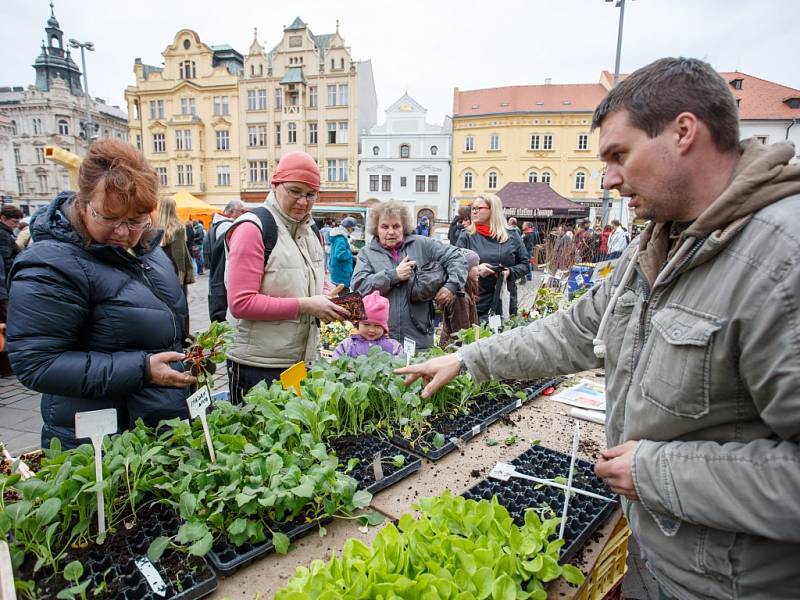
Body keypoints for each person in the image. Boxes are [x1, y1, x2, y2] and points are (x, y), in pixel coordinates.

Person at [396, 57, 800, 600]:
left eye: (618, 155)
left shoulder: (781, 262)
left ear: (684, 132)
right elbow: (573, 331)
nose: (608, 178)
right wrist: (467, 359)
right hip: (657, 557)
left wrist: (660, 473)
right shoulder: (658, 244)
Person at [6, 139, 195, 449]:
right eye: (108, 218)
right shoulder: (50, 264)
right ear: (83, 202)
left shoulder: (147, 249)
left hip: (155, 427)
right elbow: (36, 364)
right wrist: (142, 370)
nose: (123, 232)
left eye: (136, 220)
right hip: (100, 439)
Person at [224, 150, 348, 402]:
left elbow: (315, 278)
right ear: (275, 184)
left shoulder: (311, 230)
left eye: (310, 194)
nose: (303, 201)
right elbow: (241, 303)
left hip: (298, 360)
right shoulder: (253, 228)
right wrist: (306, 305)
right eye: (294, 191)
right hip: (257, 364)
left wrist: (326, 297)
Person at [352, 200, 466, 349]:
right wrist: (393, 276)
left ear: (404, 226)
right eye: (385, 227)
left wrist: (451, 285)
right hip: (380, 340)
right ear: (376, 228)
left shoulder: (423, 245)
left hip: (418, 337)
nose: (391, 232)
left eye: (396, 226)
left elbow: (457, 257)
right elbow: (360, 287)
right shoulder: (366, 254)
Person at [456, 193, 528, 319]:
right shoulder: (466, 235)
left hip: (504, 297)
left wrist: (509, 272)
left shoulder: (511, 235)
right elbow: (455, 266)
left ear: (493, 210)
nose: (474, 212)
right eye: (473, 208)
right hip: (476, 300)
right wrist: (477, 270)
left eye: (479, 208)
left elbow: (525, 264)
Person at [157, 196, 195, 333]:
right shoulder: (177, 227)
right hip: (176, 274)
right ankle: (184, 335)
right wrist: (182, 276)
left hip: (160, 272)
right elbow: (179, 254)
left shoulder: (154, 228)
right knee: (181, 306)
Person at [206, 199, 247, 322]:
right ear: (231, 212)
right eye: (242, 211)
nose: (243, 214)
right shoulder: (227, 227)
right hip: (223, 275)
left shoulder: (216, 224)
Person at [331, 290, 403, 359]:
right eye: (366, 324)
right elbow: (336, 363)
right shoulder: (347, 345)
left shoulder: (393, 346)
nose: (371, 330)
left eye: (377, 325)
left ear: (384, 328)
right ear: (358, 323)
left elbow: (401, 364)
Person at [439, 248, 479, 348]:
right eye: (476, 266)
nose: (479, 269)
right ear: (465, 269)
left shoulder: (465, 292)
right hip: (454, 352)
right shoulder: (459, 298)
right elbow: (461, 334)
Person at [329, 216, 357, 291]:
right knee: (344, 297)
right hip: (341, 272)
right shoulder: (341, 239)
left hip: (339, 270)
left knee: (341, 293)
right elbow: (340, 255)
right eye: (353, 228)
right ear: (348, 227)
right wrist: (350, 251)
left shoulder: (340, 237)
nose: (353, 231)